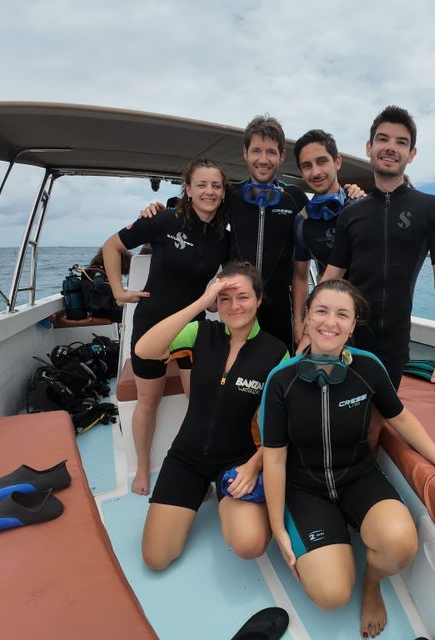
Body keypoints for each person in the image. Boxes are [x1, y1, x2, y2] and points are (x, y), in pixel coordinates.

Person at [261, 279, 435, 638]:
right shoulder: (281, 381)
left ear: (352, 325)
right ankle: (334, 547)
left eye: (342, 314)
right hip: (306, 489)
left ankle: (372, 583)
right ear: (306, 316)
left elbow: (402, 418)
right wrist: (278, 528)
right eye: (321, 311)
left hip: (359, 477)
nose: (330, 322)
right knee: (330, 595)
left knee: (400, 544)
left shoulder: (368, 367)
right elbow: (274, 460)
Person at [321, 106, 435, 450]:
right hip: (348, 335)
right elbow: (332, 275)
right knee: (335, 416)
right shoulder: (351, 213)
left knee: (373, 426)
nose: (390, 147)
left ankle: (361, 485)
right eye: (382, 139)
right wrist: (311, 327)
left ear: (411, 155)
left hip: (395, 341)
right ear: (369, 146)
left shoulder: (433, 209)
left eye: (401, 142)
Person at [135, 261, 288, 570]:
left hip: (237, 461)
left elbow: (283, 425)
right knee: (156, 559)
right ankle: (202, 488)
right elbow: (144, 350)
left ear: (259, 299)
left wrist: (254, 464)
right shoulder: (200, 333)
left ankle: (223, 496)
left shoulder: (276, 353)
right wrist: (201, 303)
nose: (234, 306)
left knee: (250, 544)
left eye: (243, 296)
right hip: (187, 457)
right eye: (224, 298)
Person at [103, 158, 231, 495]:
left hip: (192, 328)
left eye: (216, 186)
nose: (209, 191)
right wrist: (117, 291)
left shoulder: (223, 237)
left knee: (199, 401)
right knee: (149, 401)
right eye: (201, 184)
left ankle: (192, 467)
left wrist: (219, 301)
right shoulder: (162, 219)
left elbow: (224, 286)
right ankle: (143, 467)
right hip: (153, 324)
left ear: (223, 192)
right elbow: (112, 246)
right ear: (187, 189)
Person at [140, 116, 309, 351]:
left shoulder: (295, 198)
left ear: (281, 156)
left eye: (271, 152)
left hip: (279, 309)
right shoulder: (231, 194)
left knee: (277, 375)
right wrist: (156, 210)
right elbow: (192, 210)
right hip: (235, 304)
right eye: (256, 151)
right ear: (245, 153)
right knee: (235, 372)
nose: (263, 159)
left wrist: (300, 320)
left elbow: (301, 273)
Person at [291, 129, 363, 345]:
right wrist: (298, 322)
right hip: (331, 320)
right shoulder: (302, 221)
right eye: (307, 166)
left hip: (367, 317)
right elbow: (301, 276)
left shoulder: (361, 207)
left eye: (322, 161)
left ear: (337, 162)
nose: (315, 172)